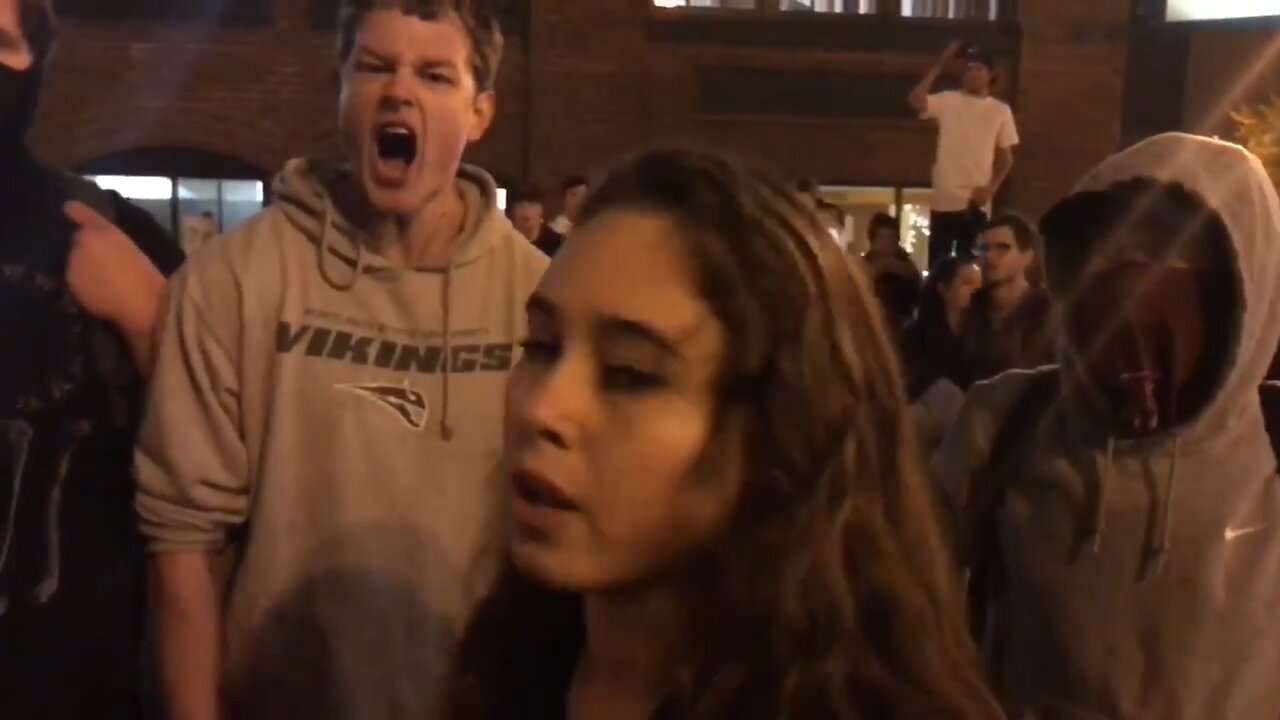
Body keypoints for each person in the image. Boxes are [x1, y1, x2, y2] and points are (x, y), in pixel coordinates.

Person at [444, 148, 1001, 720]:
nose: (542, 407)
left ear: (779, 430)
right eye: (541, 347)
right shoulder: (501, 671)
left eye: (629, 374)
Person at [135, 2, 548, 718]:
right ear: (341, 87)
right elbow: (183, 545)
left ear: (480, 112)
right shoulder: (234, 281)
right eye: (375, 67)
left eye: (435, 75)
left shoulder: (539, 301)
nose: (399, 92)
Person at [933, 133, 1280, 719]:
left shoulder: (1273, 444)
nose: (1129, 283)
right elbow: (901, 610)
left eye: (1172, 250)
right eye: (1105, 252)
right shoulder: (1007, 421)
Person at [0, 1, 183, 718]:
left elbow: (221, 464)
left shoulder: (113, 236)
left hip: (71, 685)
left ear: (39, 61)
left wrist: (150, 322)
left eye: (2, 44)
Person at [909, 42, 1018, 268]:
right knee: (940, 265)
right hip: (945, 197)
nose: (972, 73)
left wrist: (991, 188)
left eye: (978, 68)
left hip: (975, 200)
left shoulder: (1000, 110)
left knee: (972, 265)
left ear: (991, 75)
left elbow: (1006, 158)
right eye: (968, 68)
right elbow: (916, 99)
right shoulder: (949, 100)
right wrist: (941, 64)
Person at [960, 212, 1053, 385]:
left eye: (1003, 248)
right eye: (983, 249)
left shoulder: (1046, 309)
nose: (989, 256)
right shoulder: (970, 308)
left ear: (1028, 257)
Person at [902, 254, 982, 400]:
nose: (975, 290)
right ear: (943, 288)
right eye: (967, 283)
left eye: (978, 285)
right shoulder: (916, 335)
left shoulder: (981, 334)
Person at [863, 211, 923, 332]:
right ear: (872, 241)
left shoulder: (907, 267)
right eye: (880, 237)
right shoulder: (862, 266)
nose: (886, 244)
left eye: (890, 238)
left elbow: (919, 299)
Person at [538, 174, 588, 254]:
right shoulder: (552, 231)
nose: (580, 200)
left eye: (584, 196)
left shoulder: (589, 229)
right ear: (564, 197)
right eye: (574, 195)